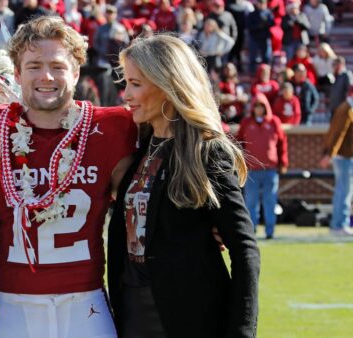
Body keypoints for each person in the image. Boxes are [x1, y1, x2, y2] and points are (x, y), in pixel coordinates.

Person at [0, 16, 136, 338]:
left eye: (58, 66)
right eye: (34, 66)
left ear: (76, 72)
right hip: (16, 304)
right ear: (17, 74)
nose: (46, 76)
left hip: (86, 302)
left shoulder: (113, 127)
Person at [107, 34, 260, 337]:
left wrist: (242, 330)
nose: (126, 94)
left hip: (187, 316)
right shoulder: (140, 146)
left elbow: (245, 250)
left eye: (136, 84)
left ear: (167, 86)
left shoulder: (206, 151)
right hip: (132, 310)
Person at [238, 93, 289, 239]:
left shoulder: (274, 122)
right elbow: (239, 144)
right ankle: (251, 231)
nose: (259, 109)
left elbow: (282, 144)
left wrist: (283, 162)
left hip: (270, 169)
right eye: (256, 106)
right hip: (252, 170)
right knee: (251, 202)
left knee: (270, 201)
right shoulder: (246, 123)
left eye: (261, 106)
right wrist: (241, 163)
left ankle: (270, 231)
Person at [319, 96, 353, 236]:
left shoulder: (344, 107)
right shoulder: (347, 109)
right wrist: (329, 154)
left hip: (343, 156)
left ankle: (338, 224)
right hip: (343, 156)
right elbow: (339, 133)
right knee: (344, 192)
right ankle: (339, 224)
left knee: (343, 191)